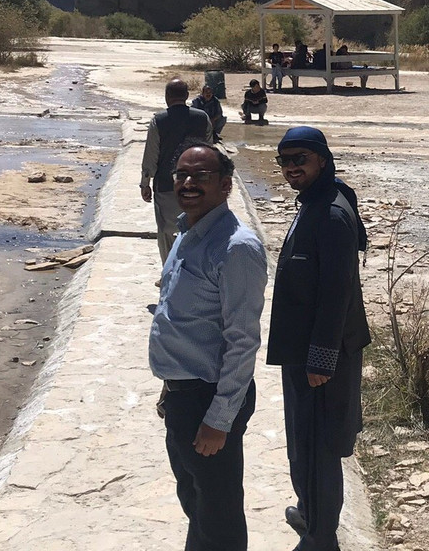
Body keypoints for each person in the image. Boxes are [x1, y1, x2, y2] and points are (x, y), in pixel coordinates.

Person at [149, 141, 268, 551]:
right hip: (183, 394)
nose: (188, 183)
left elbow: (242, 341)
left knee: (218, 514)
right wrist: (169, 386)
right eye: (182, 174)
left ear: (225, 184)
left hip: (210, 399)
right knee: (195, 500)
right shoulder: (188, 231)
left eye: (201, 176)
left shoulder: (235, 247)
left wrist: (220, 419)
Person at [267, 127, 370, 551]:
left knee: (317, 446)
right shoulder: (319, 199)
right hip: (305, 348)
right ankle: (310, 511)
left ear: (322, 160)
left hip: (320, 354)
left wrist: (320, 360)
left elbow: (336, 292)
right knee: (303, 441)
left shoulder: (329, 214)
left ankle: (321, 537)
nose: (292, 167)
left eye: (301, 159)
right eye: (285, 160)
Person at [141, 79, 212, 262]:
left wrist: (145, 183)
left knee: (165, 232)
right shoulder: (202, 118)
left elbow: (151, 155)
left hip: (166, 185)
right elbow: (209, 152)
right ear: (187, 96)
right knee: (196, 229)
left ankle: (168, 271)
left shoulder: (158, 121)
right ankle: (191, 270)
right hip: (198, 185)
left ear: (167, 97)